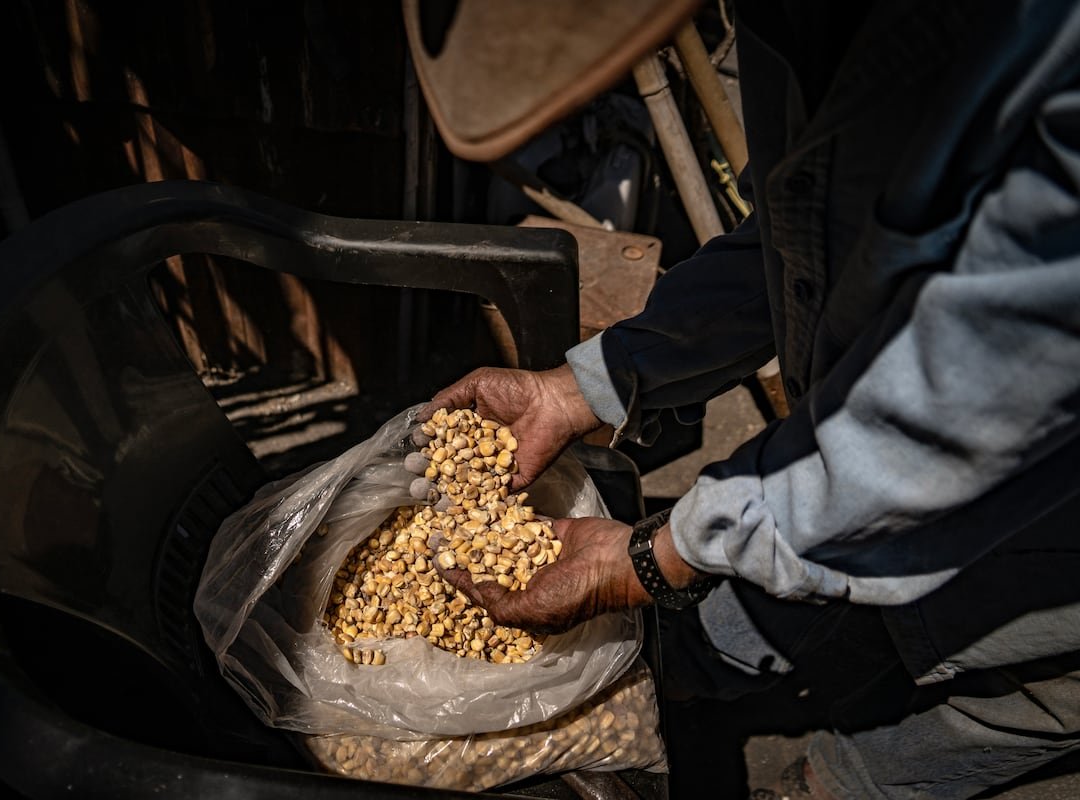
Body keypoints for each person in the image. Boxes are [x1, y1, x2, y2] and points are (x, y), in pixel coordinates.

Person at [412, 0, 1080, 797]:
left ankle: (828, 786)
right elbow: (791, 245)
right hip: (856, 466)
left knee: (1026, 688)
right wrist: (589, 383)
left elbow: (957, 403)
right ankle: (679, 669)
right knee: (782, 575)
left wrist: (655, 559)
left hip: (1048, 511)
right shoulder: (784, 30)